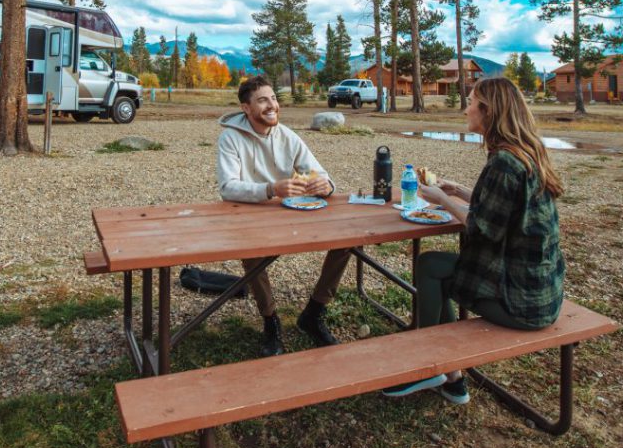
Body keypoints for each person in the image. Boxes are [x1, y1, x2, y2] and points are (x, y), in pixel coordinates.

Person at [382, 76, 565, 405]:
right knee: (437, 269)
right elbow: (504, 209)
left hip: (520, 301)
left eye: (470, 102)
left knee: (430, 266)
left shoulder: (505, 164)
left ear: (489, 111)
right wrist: (460, 190)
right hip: (543, 291)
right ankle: (452, 378)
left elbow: (482, 227)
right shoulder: (525, 154)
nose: (465, 109)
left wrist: (441, 199)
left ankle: (428, 365)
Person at [216, 75, 352, 357]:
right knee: (252, 251)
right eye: (263, 100)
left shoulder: (288, 136)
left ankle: (314, 312)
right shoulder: (230, 137)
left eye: (274, 98)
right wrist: (271, 188)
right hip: (250, 214)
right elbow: (227, 188)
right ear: (246, 108)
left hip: (291, 211)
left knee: (349, 238)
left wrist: (325, 185)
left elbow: (321, 174)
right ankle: (270, 320)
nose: (272, 105)